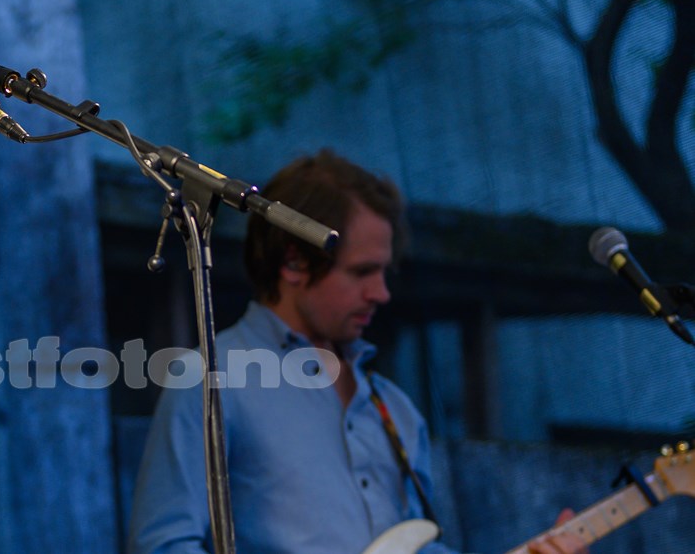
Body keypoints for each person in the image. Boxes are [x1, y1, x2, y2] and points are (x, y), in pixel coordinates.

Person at [127, 150, 584, 554]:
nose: (381, 293)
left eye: (384, 272)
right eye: (363, 272)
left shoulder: (397, 412)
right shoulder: (211, 378)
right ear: (293, 263)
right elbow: (162, 544)